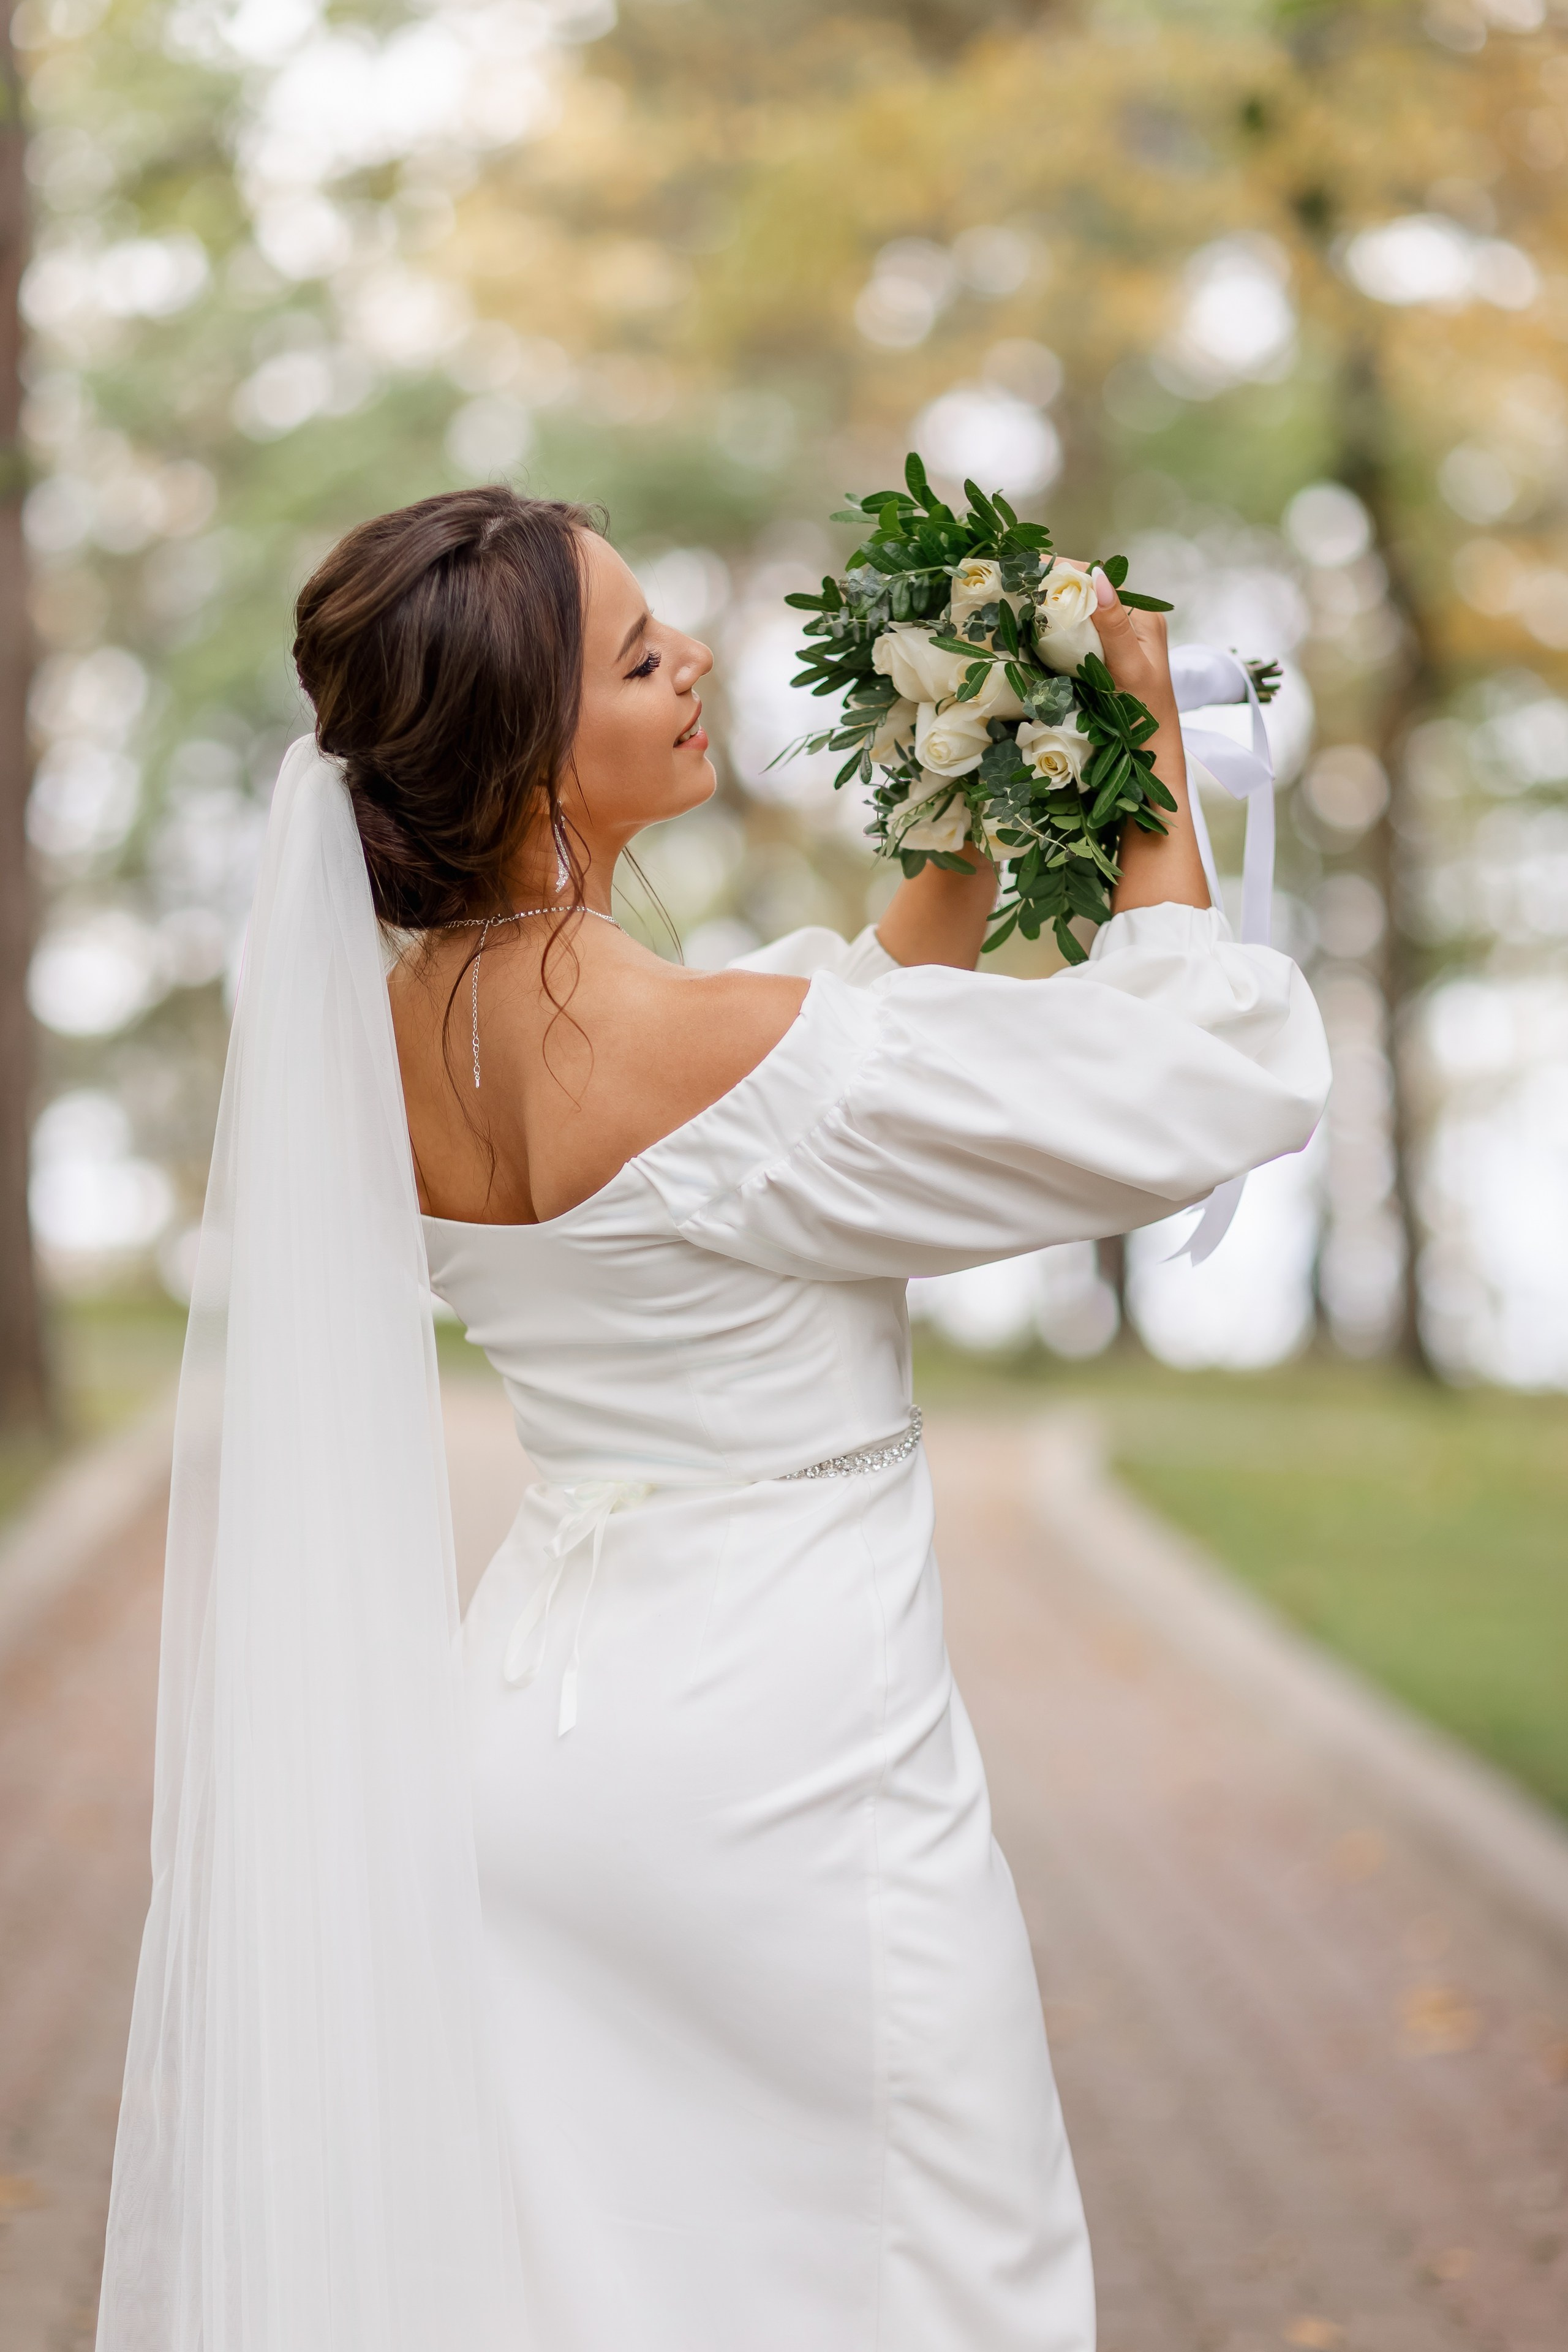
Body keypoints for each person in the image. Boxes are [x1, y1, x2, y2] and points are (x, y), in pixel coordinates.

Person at [97, 486, 1330, 2352]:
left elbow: (812, 1073)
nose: (694, 666)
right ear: (525, 751)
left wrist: (974, 824)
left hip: (530, 1747)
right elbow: (1199, 1076)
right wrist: (1143, 758)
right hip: (789, 1766)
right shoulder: (690, 1048)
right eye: (638, 654)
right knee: (938, 2267)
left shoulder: (410, 1028)